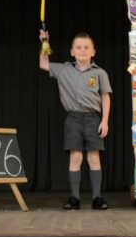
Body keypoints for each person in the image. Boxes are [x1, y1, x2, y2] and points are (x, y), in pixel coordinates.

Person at [39, 30, 112, 210]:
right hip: (73, 119)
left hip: (93, 118)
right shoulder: (64, 69)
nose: (82, 50)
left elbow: (105, 97)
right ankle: (74, 198)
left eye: (86, 47)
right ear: (72, 51)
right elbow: (43, 64)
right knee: (76, 157)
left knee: (94, 157)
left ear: (93, 51)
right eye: (78, 47)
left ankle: (97, 198)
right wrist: (44, 42)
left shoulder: (100, 73)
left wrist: (105, 121)